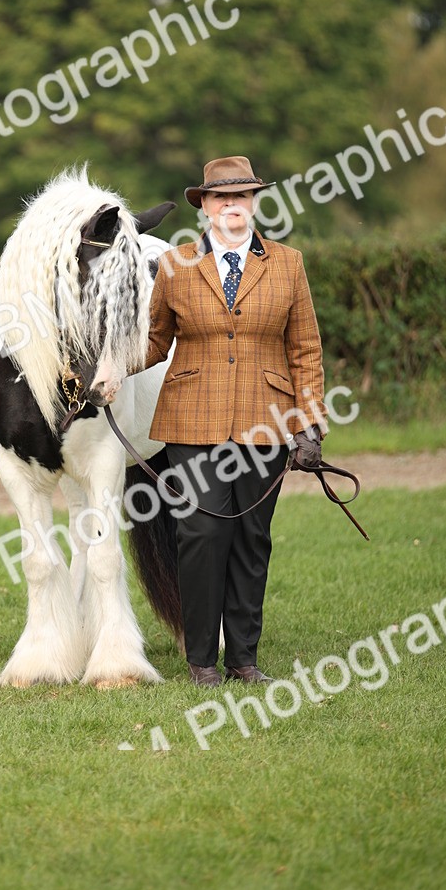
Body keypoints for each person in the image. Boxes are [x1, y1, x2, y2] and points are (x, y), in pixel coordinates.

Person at [143, 156, 327, 687]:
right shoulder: (175, 265)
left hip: (265, 419)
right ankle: (202, 661)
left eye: (241, 197)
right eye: (221, 198)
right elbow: (155, 341)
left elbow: (306, 348)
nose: (232, 206)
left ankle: (243, 660)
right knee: (200, 534)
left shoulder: (288, 264)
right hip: (190, 418)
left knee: (252, 537)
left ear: (254, 204)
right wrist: (107, 372)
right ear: (203, 207)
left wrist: (309, 424)